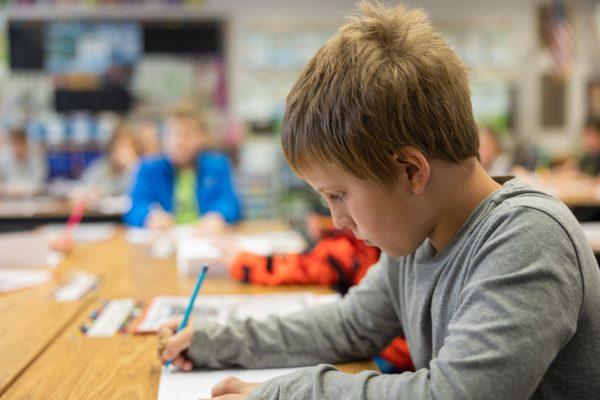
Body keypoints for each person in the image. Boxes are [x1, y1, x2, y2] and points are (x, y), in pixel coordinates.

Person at [158, 3, 600, 399]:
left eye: (339, 195)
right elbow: (350, 325)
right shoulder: (420, 233)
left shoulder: (527, 237)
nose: (336, 220)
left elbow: (454, 394)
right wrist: (217, 341)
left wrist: (285, 393)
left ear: (411, 171)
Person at [124, 107, 241, 230]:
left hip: (204, 240)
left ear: (201, 137)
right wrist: (149, 216)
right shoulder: (149, 168)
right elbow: (135, 206)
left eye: (187, 134)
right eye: (171, 134)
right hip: (163, 241)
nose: (179, 141)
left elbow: (230, 203)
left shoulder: (217, 165)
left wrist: (219, 215)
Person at [77, 122, 141, 199]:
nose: (120, 152)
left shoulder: (140, 168)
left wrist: (130, 166)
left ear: (135, 149)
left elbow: (138, 192)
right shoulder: (103, 166)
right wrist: (94, 193)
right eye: (116, 148)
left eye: (125, 147)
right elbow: (83, 187)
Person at [0, 127, 47, 197]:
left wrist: (17, 190)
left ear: (26, 143)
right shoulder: (2, 161)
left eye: (20, 144)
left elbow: (39, 183)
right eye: (15, 144)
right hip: (8, 200)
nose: (18, 148)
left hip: (33, 200)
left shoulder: (36, 159)